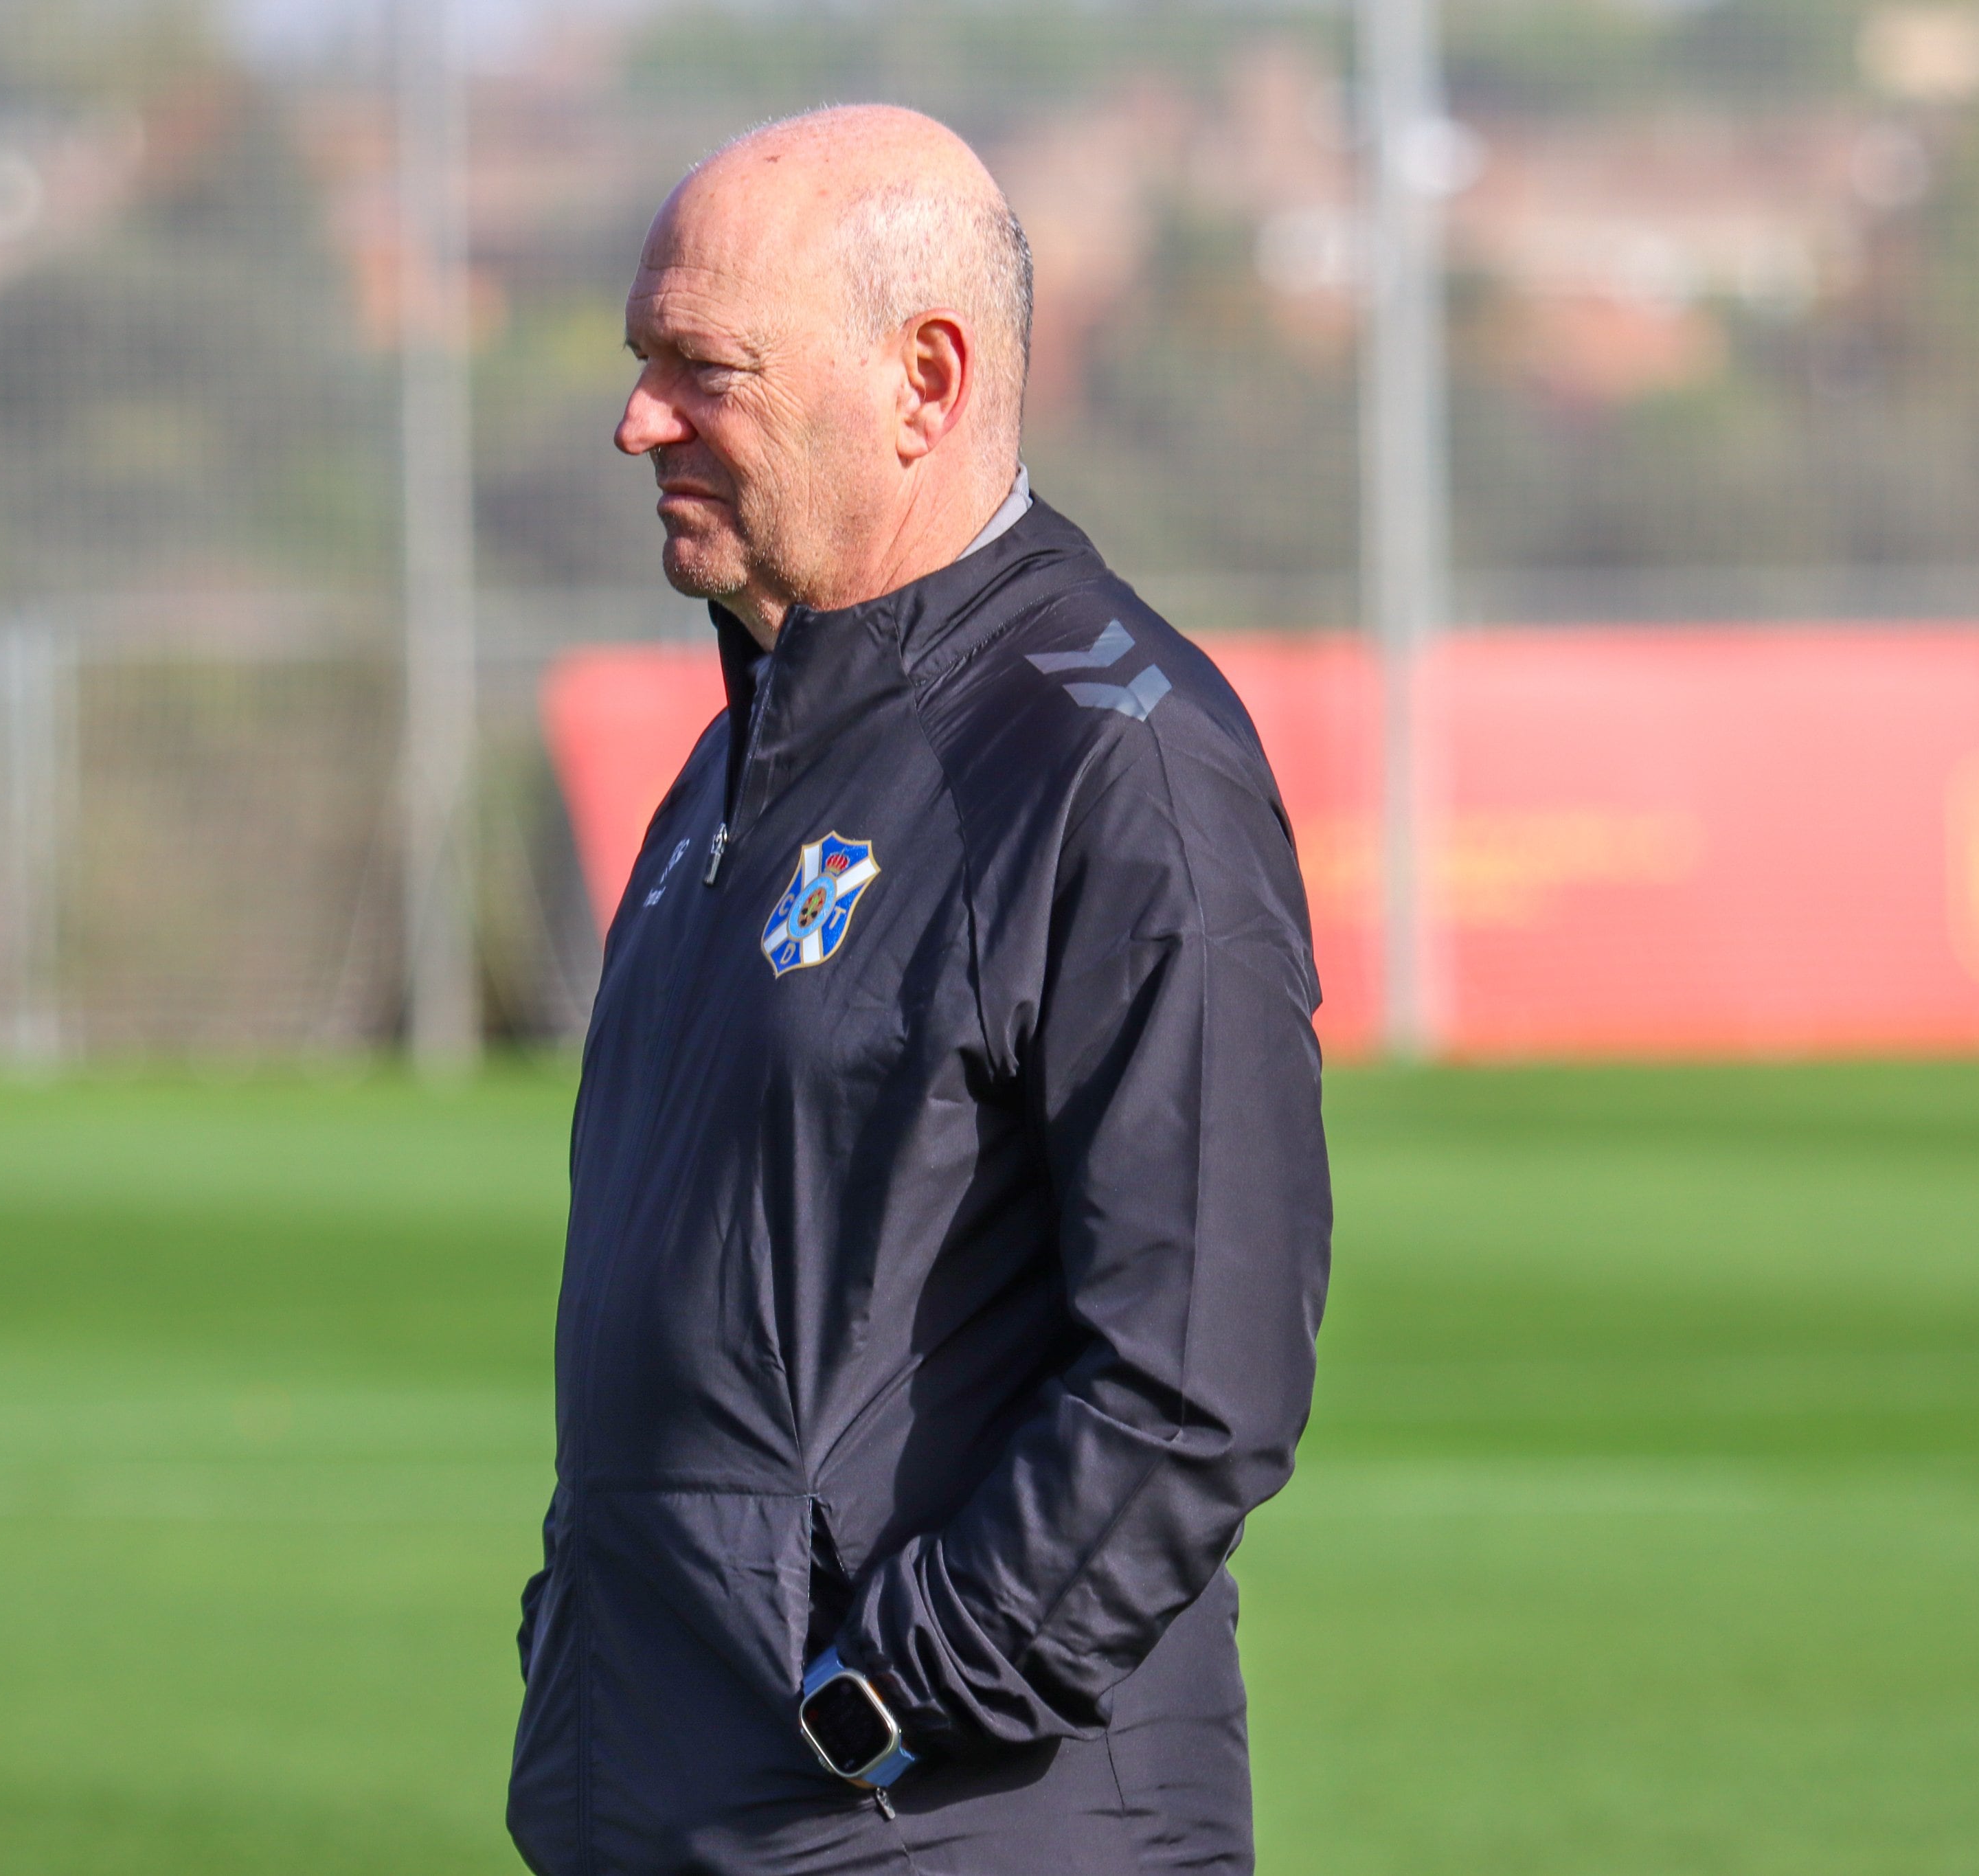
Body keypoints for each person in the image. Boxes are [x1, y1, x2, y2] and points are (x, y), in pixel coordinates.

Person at [508, 104, 1332, 1875]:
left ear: (927, 380)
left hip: (936, 1821)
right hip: (663, 1792)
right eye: (643, 361)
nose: (639, 418)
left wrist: (889, 1700)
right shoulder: (741, 757)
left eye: (702, 367)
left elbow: (1196, 1378)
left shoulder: (1116, 766)